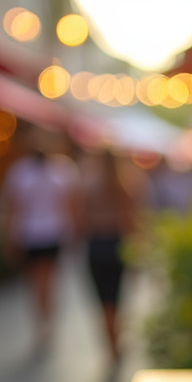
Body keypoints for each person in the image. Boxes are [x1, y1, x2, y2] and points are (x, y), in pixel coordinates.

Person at [2, 137, 81, 348]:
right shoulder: (56, 170)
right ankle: (45, 321)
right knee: (43, 281)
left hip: (44, 233)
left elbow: (15, 208)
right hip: (37, 233)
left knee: (42, 281)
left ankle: (43, 322)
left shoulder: (54, 170)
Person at [79, 150, 138, 360]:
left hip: (96, 243)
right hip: (116, 243)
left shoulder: (90, 185)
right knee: (117, 297)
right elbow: (130, 220)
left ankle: (110, 341)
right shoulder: (124, 185)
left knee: (102, 300)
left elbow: (82, 218)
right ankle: (116, 340)